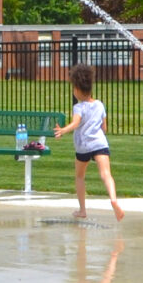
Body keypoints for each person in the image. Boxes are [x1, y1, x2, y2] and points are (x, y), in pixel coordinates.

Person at [51, 72, 123, 220]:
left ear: (77, 89)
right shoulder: (99, 104)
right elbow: (104, 128)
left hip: (83, 146)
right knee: (106, 174)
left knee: (79, 176)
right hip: (100, 144)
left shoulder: (78, 107)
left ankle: (82, 210)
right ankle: (114, 199)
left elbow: (76, 123)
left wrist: (63, 130)